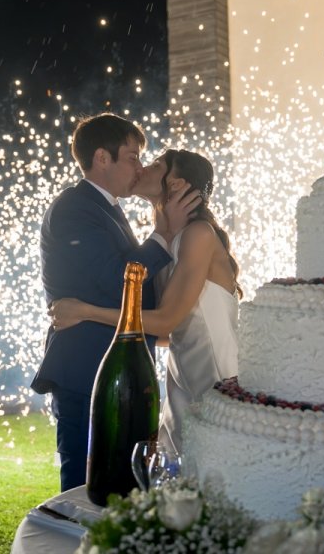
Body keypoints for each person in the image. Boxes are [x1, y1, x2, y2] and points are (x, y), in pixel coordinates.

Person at [31, 114, 199, 492]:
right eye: (132, 156)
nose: (139, 167)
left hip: (118, 368)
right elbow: (116, 280)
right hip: (87, 367)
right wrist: (162, 234)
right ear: (102, 158)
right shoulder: (76, 208)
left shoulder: (106, 208)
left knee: (123, 483)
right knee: (83, 486)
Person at [50, 149, 241, 454]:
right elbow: (164, 332)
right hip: (182, 376)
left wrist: (86, 312)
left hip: (214, 375)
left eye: (154, 165)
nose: (142, 168)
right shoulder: (168, 244)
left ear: (176, 184)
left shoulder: (198, 235)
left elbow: (165, 320)